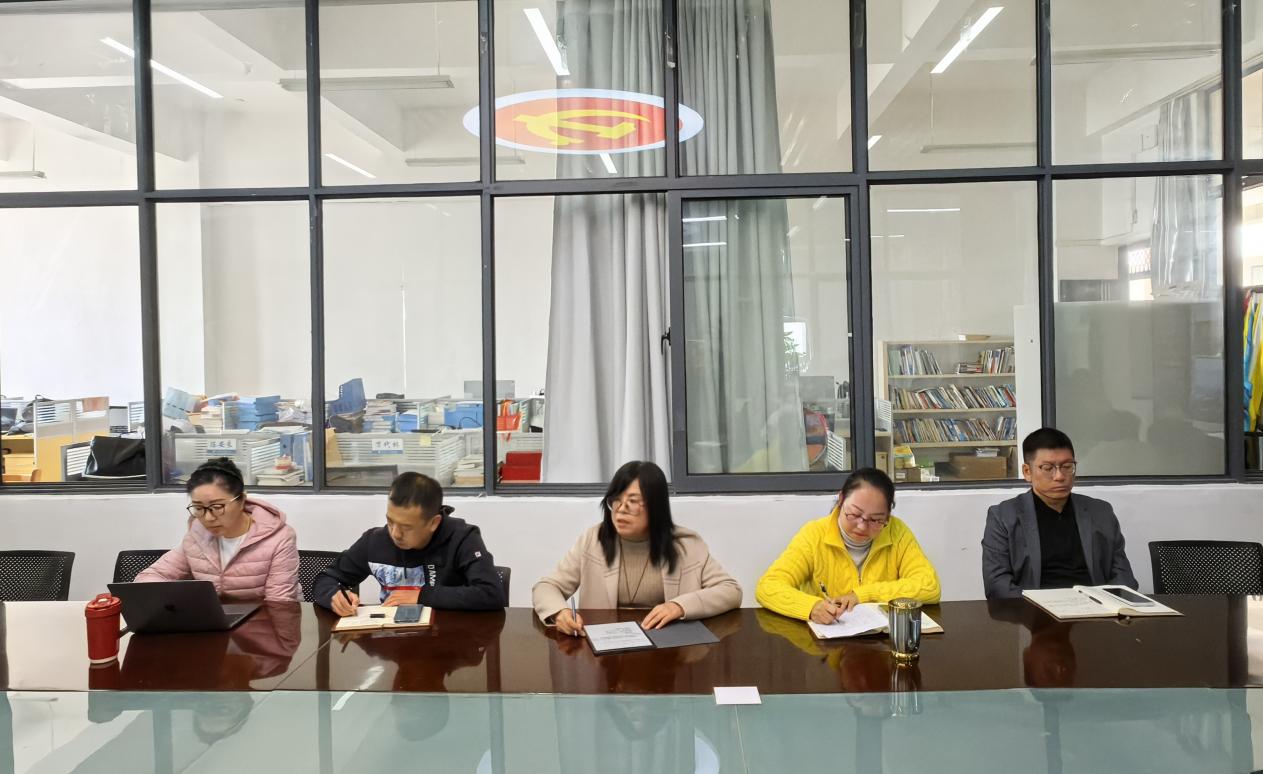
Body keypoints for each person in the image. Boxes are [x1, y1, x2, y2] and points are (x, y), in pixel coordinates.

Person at [532, 460, 742, 635]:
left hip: (667, 649)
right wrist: (559, 613)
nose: (621, 509)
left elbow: (731, 591)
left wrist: (679, 606)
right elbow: (546, 587)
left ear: (655, 506)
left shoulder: (686, 545)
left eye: (633, 501)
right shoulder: (593, 540)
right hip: (605, 652)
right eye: (616, 500)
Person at [755, 467, 940, 623]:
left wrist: (864, 595)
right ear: (841, 499)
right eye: (855, 514)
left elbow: (929, 586)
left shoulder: (897, 532)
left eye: (876, 520)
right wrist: (811, 607)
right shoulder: (814, 535)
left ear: (887, 516)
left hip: (881, 642)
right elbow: (768, 586)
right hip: (826, 643)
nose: (862, 526)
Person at [313, 472, 506, 613]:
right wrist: (333, 595)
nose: (395, 534)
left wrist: (422, 596)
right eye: (390, 521)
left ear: (434, 523)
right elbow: (326, 578)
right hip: (392, 642)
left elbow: (491, 594)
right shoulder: (375, 541)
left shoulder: (462, 538)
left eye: (406, 527)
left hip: (448, 640)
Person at [981, 427, 1138, 600]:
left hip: (1095, 608)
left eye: (1067, 466)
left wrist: (1104, 604)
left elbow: (1124, 577)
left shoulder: (1101, 512)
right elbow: (997, 584)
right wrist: (1038, 608)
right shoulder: (1003, 516)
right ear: (1027, 472)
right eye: (1048, 468)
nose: (1059, 476)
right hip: (1034, 610)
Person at [137, 458, 300, 601]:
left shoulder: (279, 538)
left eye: (217, 507)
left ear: (241, 500)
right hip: (213, 620)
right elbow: (149, 578)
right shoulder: (197, 535)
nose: (208, 518)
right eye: (198, 508)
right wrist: (180, 600)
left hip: (265, 622)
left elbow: (279, 603)